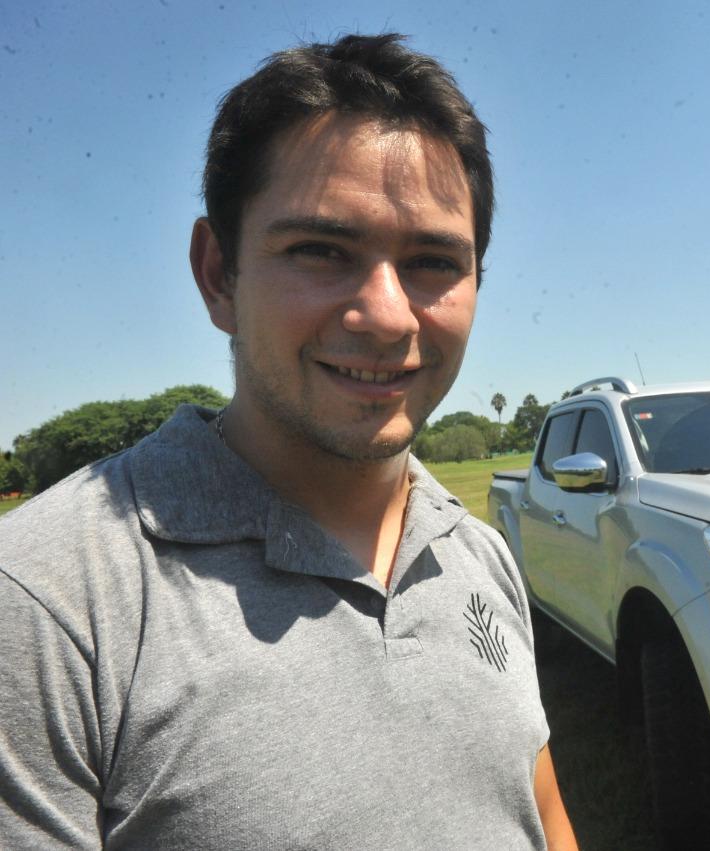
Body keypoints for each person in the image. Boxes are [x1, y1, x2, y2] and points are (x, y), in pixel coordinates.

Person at [0, 34, 576, 850]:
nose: (385, 316)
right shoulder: (48, 604)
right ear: (217, 274)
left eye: (432, 261)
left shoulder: (476, 554)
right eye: (320, 250)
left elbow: (543, 814)